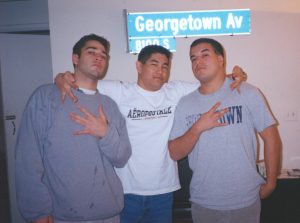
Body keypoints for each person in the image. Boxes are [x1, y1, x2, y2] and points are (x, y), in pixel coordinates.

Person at [55, 44, 247, 223]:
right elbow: (81, 81)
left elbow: (211, 83)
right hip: (126, 190)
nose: (160, 71)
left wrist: (234, 75)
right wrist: (61, 78)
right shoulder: (120, 91)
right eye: (154, 64)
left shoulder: (176, 91)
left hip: (164, 190)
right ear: (139, 66)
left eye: (165, 66)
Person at [15, 34, 132, 223]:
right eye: (91, 52)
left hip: (109, 212)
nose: (99, 57)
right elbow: (28, 158)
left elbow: (122, 157)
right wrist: (37, 211)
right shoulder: (45, 97)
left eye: (103, 54)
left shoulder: (109, 105)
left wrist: (105, 133)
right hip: (63, 215)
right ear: (75, 58)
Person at [168, 38, 282, 223]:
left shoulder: (247, 93)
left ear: (221, 59)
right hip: (204, 203)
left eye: (205, 55)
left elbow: (271, 138)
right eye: (193, 58)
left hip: (246, 200)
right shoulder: (185, 103)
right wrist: (197, 128)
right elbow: (174, 152)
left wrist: (271, 181)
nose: (198, 62)